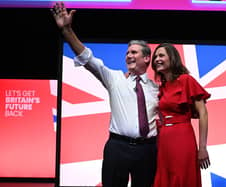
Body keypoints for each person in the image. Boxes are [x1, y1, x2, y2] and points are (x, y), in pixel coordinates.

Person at [50, 2, 159, 187]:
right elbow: (87, 58)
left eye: (134, 52)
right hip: (118, 147)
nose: (128, 56)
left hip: (147, 150)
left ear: (147, 58)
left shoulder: (156, 88)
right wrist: (67, 30)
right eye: (127, 53)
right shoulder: (114, 78)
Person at [151, 43, 211, 187]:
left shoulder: (186, 80)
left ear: (172, 58)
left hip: (182, 137)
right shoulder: (161, 87)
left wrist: (202, 148)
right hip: (164, 140)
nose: (157, 59)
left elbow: (203, 113)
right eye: (155, 57)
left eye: (161, 55)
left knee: (182, 177)